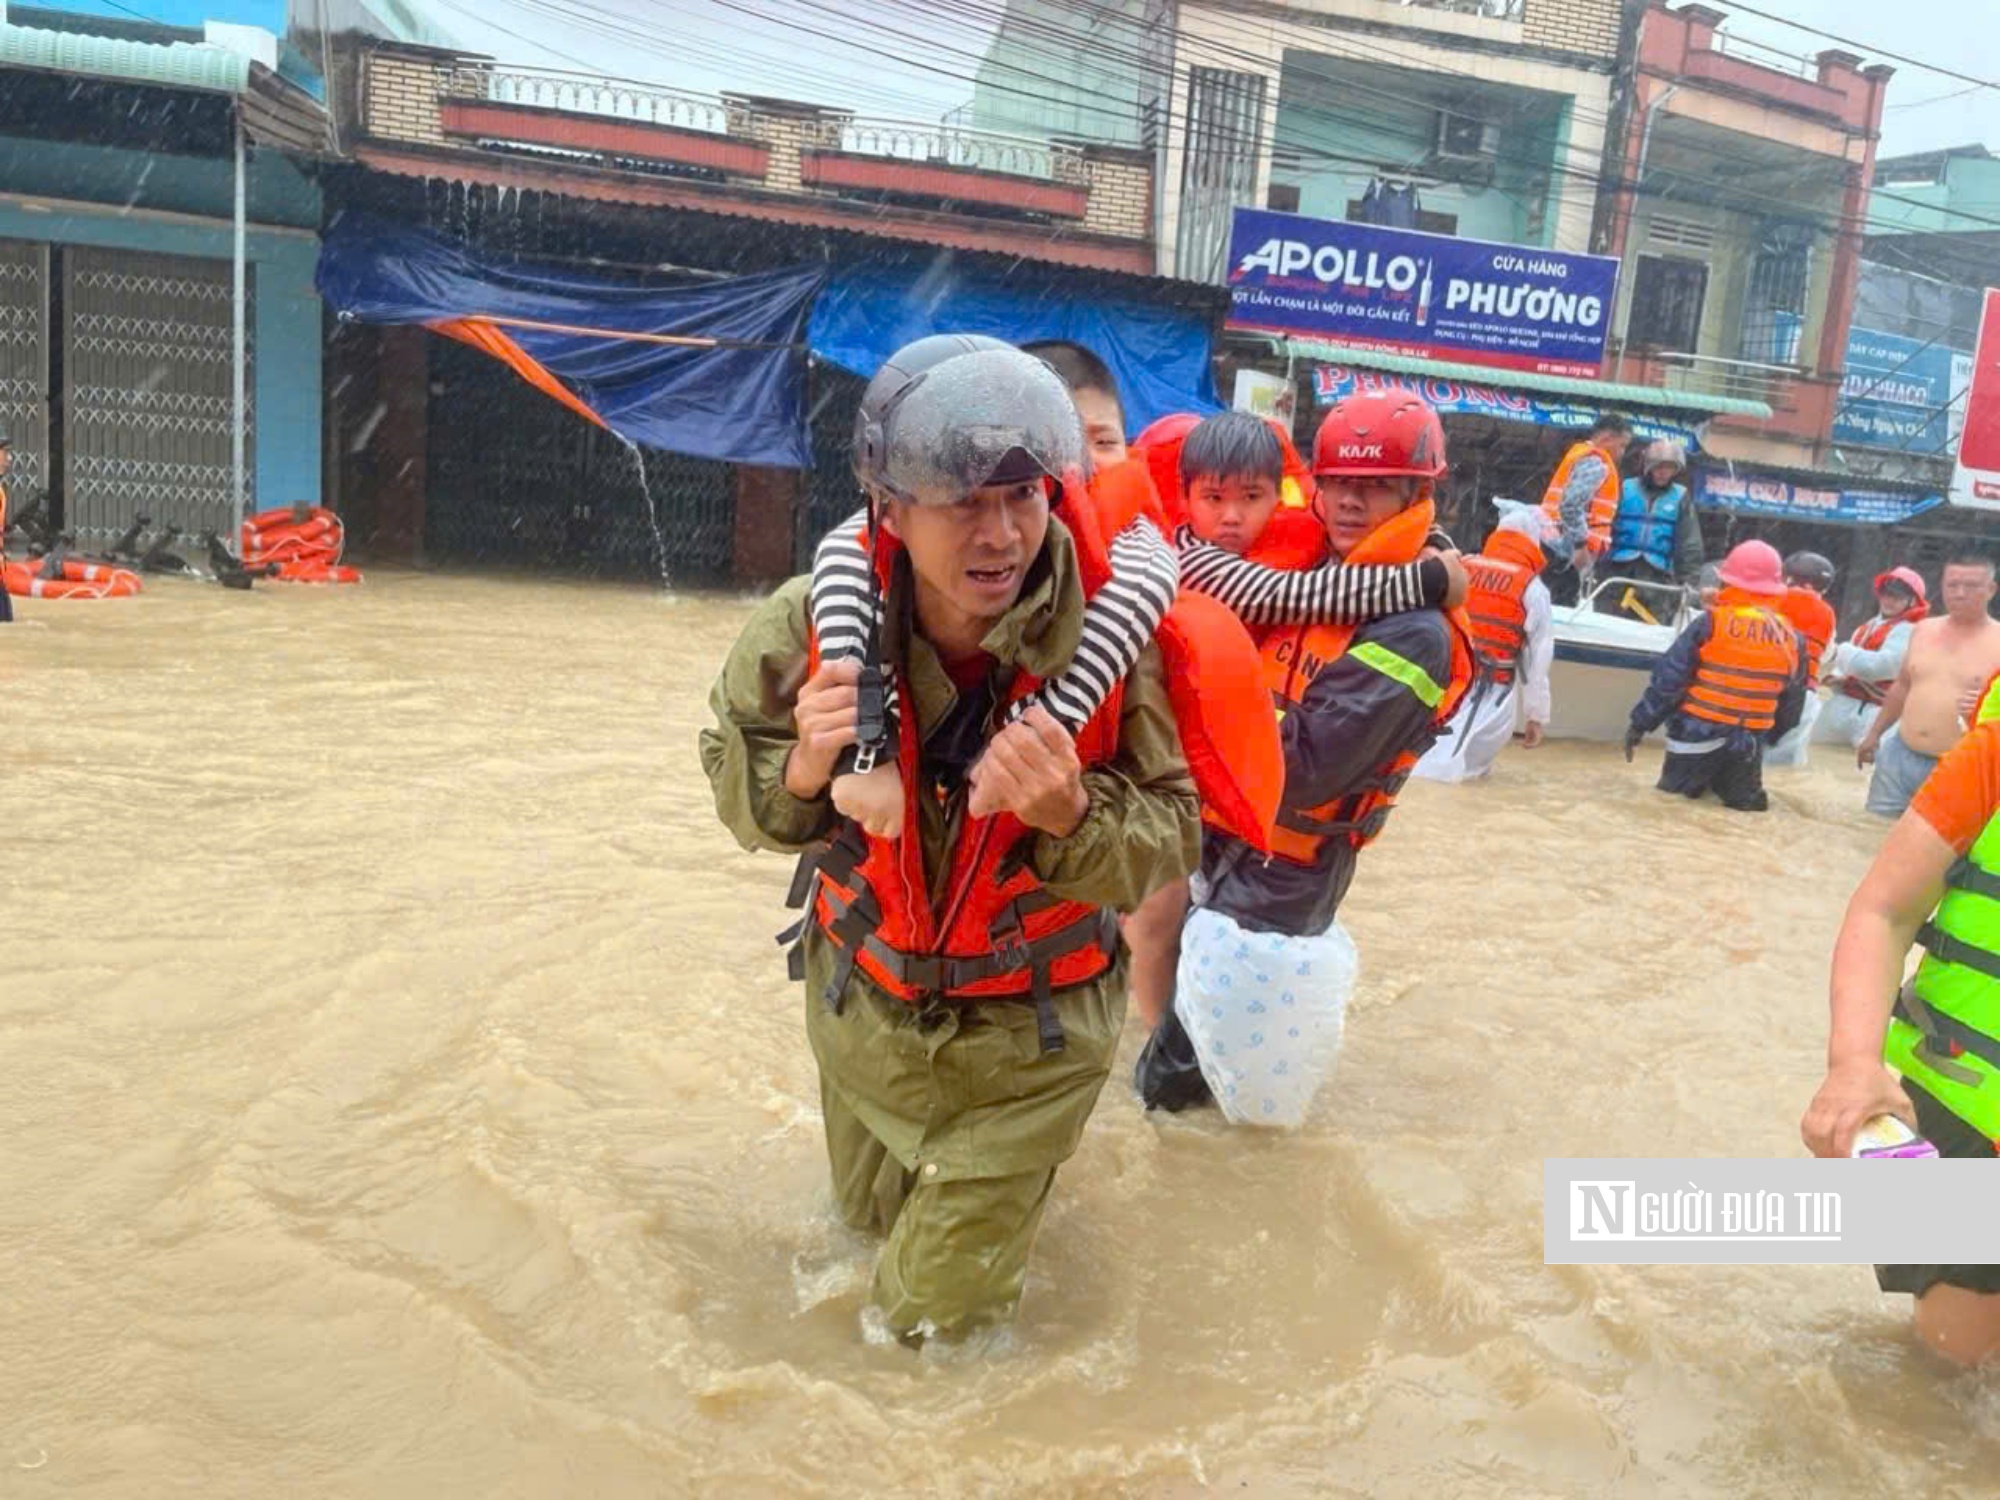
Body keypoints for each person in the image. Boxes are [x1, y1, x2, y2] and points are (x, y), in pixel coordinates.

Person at [699, 337, 1201, 1345]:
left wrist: (1069, 812)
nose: (1003, 532)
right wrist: (805, 770)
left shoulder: (1113, 641)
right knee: (855, 1237)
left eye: (1023, 496)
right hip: (859, 1014)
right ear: (888, 507)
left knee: (923, 1343)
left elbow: (1172, 838)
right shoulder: (806, 627)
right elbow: (738, 797)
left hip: (1027, 1047)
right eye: (964, 499)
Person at [1135, 390, 1474, 1122]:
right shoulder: (1305, 568)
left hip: (1280, 878)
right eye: (1339, 484)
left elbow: (1303, 773)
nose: (1351, 502)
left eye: (1375, 485)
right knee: (1166, 1021)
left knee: (1178, 1094)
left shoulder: (1417, 633)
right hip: (1220, 836)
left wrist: (1170, 720)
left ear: (1418, 492)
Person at [1802, 671, 2000, 1365]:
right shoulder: (1992, 755)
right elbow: (1884, 908)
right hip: (1974, 1115)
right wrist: (1854, 1065)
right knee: (1949, 1390)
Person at [1623, 539, 1806, 813]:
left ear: (1727, 583)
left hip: (1696, 737)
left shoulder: (1710, 623)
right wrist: (1767, 736)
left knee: (1670, 810)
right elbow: (1792, 705)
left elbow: (1669, 681)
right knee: (1743, 814)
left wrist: (1640, 724)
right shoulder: (1792, 637)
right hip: (1748, 747)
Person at [1413, 501, 1554, 783]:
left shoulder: (1462, 565)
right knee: (1470, 773)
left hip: (1444, 684)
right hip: (1492, 696)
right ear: (1533, 544)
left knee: (1422, 761)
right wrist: (1536, 716)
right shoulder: (1533, 589)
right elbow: (1537, 662)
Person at [1858, 552, 2000, 820]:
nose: (1959, 593)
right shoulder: (1923, 630)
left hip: (1959, 766)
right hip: (1900, 755)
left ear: (1991, 589)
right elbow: (1902, 686)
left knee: (1937, 853)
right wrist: (1874, 733)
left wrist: (1987, 708)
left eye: (1971, 586)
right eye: (1952, 585)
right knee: (1872, 832)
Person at [1819, 567, 1928, 749]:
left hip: (1877, 714)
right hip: (1845, 704)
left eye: (1897, 597)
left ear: (1912, 601)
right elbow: (1846, 668)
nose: (1889, 601)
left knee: (1866, 771)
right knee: (1812, 747)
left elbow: (1876, 668)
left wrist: (1838, 652)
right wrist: (1838, 679)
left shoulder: (1911, 631)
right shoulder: (1867, 626)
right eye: (1886, 594)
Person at [1599, 437, 1702, 621]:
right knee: (1607, 621)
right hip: (1616, 571)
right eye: (1659, 466)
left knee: (1650, 627)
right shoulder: (1625, 487)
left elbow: (1689, 545)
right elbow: (1604, 526)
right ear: (1648, 466)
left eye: (1670, 467)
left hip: (1657, 578)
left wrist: (1689, 584)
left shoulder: (1681, 497)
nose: (1663, 472)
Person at [1540, 412, 1631, 606]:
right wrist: (1580, 545)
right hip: (1567, 551)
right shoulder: (1596, 463)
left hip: (1554, 541)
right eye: (1622, 445)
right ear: (1608, 438)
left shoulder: (1579, 455)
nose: (1623, 452)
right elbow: (1571, 504)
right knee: (1560, 607)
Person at [1764, 551, 1838, 768]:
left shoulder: (1772, 598)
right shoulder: (1827, 613)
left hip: (1763, 687)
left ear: (1787, 577)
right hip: (1803, 694)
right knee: (1785, 767)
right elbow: (1825, 655)